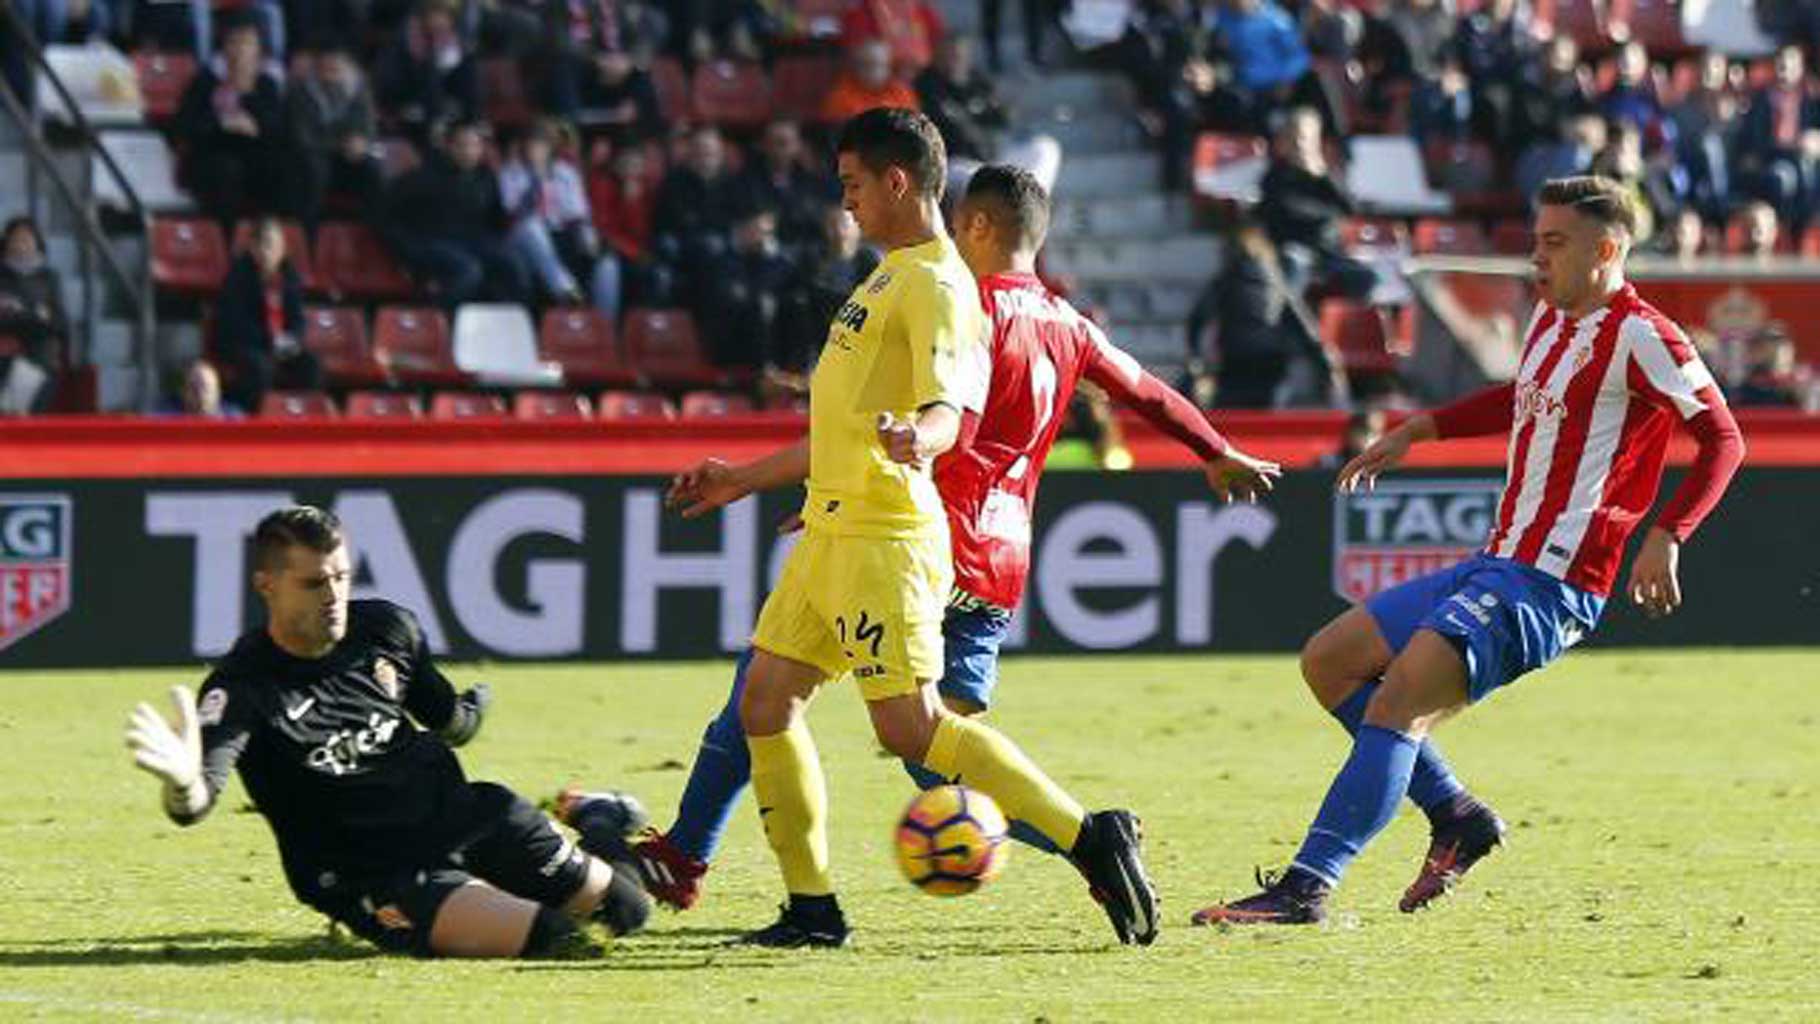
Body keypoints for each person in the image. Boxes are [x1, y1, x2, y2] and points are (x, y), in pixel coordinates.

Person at [567, 160, 1281, 931]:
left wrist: (841, 493)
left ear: (976, 226)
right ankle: (708, 861)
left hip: (921, 536)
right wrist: (1214, 449)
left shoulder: (962, 305)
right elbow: (1147, 390)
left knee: (888, 729)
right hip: (1000, 562)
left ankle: (1085, 840)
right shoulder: (1069, 324)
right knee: (839, 715)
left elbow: (914, 423)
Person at [1189, 176, 1744, 926]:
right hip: (1499, 561)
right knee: (1330, 659)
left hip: (1554, 582)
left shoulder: (1641, 335)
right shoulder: (1552, 321)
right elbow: (1517, 400)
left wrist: (1669, 534)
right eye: (1535, 241)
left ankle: (1306, 888)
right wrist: (1418, 431)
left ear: (1607, 250)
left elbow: (1723, 436)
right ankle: (1456, 815)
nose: (1536, 259)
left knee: (1398, 702)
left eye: (1554, 244)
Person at [124, 506, 652, 958]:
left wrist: (470, 710)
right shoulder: (243, 687)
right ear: (267, 585)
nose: (332, 596)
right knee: (560, 940)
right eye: (312, 583)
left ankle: (596, 819)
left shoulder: (385, 630)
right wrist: (180, 782)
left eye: (341, 577)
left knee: (629, 912)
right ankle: (488, 896)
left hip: (468, 817)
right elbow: (194, 802)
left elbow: (450, 722)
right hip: (380, 874)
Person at [382, 119, 530, 307]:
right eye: (462, 145)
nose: (469, 152)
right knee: (468, 271)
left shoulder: (486, 176)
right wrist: (406, 253)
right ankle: (440, 322)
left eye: (475, 145)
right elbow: (389, 218)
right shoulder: (421, 178)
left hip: (473, 241)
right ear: (448, 146)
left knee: (513, 265)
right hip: (432, 242)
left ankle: (505, 324)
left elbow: (496, 219)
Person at [175, 18, 287, 223]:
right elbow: (184, 127)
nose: (239, 50)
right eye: (233, 42)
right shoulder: (205, 81)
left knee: (282, 167)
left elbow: (277, 128)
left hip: (255, 154)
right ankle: (225, 241)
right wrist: (222, 124)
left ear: (258, 51)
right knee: (226, 171)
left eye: (246, 43)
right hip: (213, 156)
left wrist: (248, 97)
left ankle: (274, 238)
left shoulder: (266, 84)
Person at [214, 218, 322, 413]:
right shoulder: (237, 277)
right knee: (259, 368)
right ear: (253, 248)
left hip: (281, 344)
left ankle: (301, 417)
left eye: (273, 245)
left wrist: (293, 340)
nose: (267, 251)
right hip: (245, 343)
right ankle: (256, 420)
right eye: (262, 244)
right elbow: (234, 323)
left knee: (311, 365)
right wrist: (270, 340)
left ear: (281, 249)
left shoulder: (290, 277)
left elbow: (298, 319)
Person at [285, 42, 384, 227]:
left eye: (336, 68)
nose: (330, 74)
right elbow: (302, 137)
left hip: (348, 157)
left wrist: (361, 142)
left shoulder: (359, 91)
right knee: (313, 169)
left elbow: (368, 128)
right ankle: (309, 231)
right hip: (315, 156)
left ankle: (373, 229)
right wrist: (341, 144)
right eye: (325, 68)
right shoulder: (300, 93)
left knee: (373, 169)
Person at [0, 216, 67, 374]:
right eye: (16, 239)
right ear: (7, 243)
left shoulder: (49, 277)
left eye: (27, 239)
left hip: (40, 356)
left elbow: (59, 321)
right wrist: (35, 315)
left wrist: (23, 314)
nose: (21, 245)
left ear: (37, 243)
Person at [820, 37, 921, 125]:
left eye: (879, 65)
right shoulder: (840, 96)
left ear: (889, 67)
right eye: (866, 65)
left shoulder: (903, 93)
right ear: (855, 67)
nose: (873, 71)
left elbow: (915, 128)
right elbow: (836, 136)